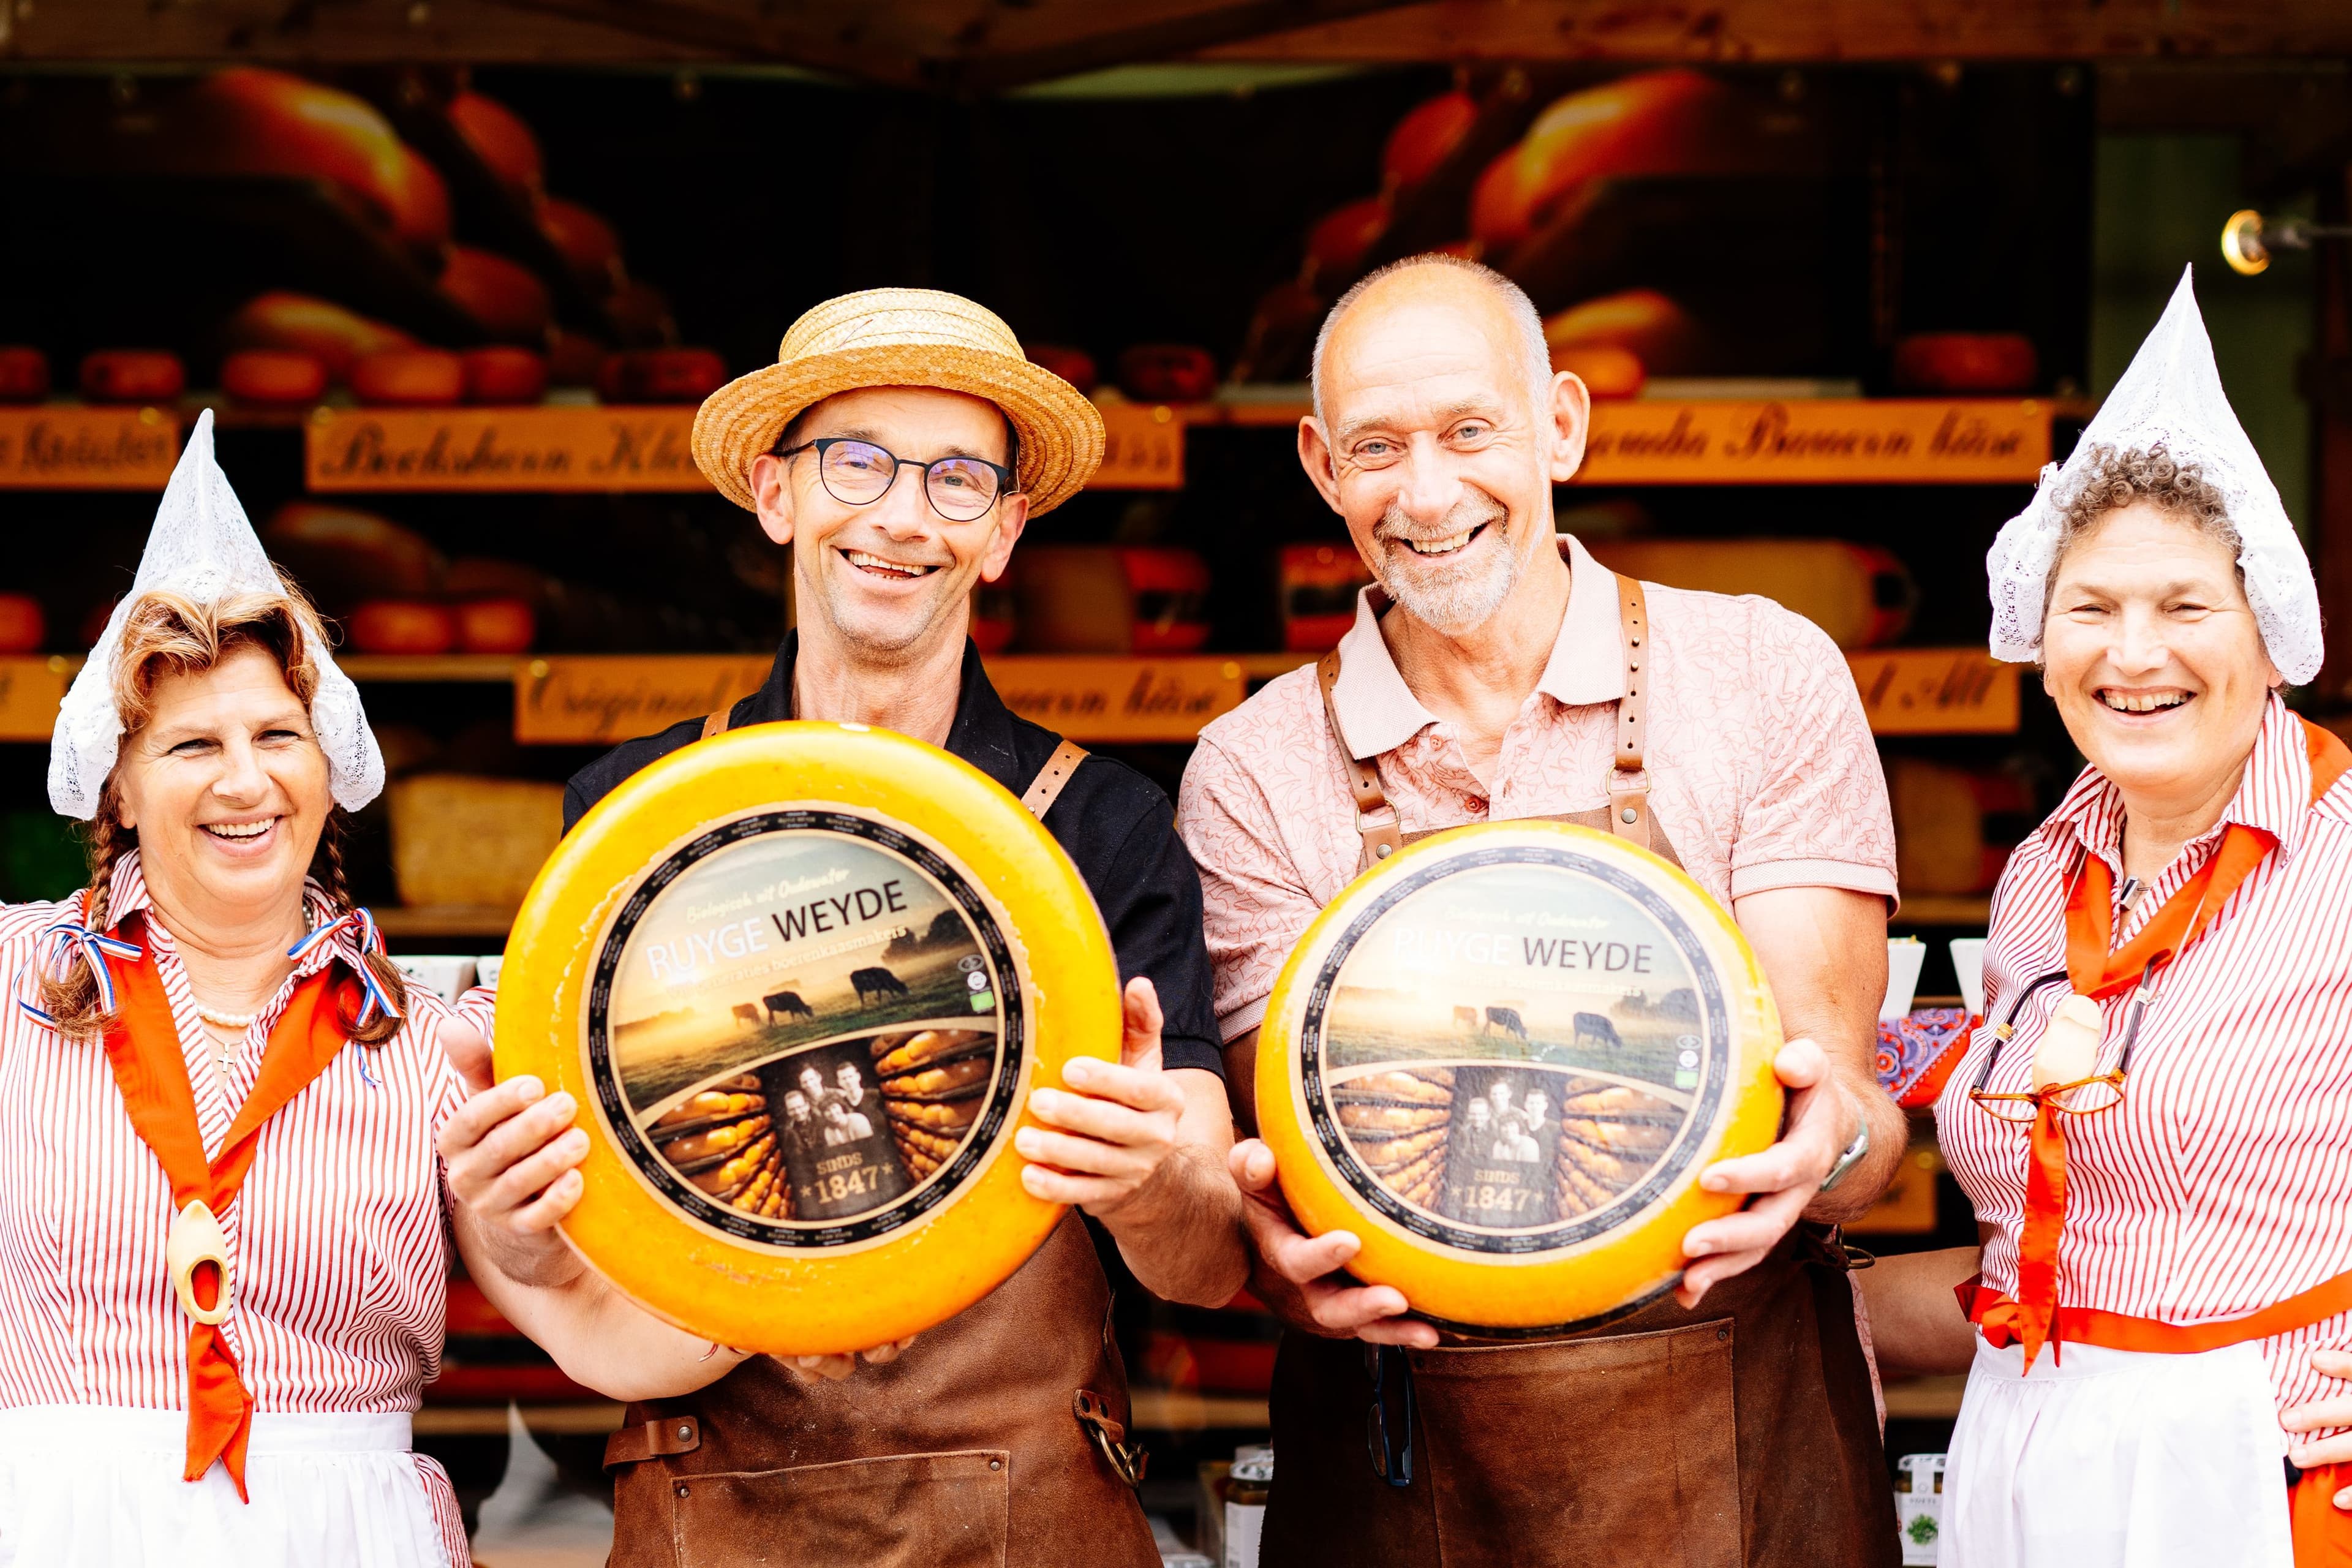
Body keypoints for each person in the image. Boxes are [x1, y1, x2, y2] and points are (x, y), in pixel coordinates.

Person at [439, 288, 1247, 1566]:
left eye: (958, 479)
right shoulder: (631, 822)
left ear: (1003, 533)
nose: (902, 514)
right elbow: (555, 1240)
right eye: (856, 461)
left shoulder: (1103, 825)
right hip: (712, 1513)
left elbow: (1206, 1261)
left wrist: (1153, 1182)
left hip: (1026, 1520)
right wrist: (511, 1223)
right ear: (776, 494)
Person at [1175, 254, 1906, 1565]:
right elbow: (1295, 1157)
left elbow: (1850, 1109)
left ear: (1560, 422)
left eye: (1472, 430)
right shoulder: (1251, 766)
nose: (1428, 489)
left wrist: (1826, 1152)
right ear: (1320, 465)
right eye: (1378, 447)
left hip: (1742, 1444)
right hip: (1405, 1457)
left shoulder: (1761, 671)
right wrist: (1269, 1249)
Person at [1860, 267, 2352, 1567]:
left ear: (2270, 630)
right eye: (2093, 608)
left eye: (2186, 606)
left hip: (2264, 1465)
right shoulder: (2040, 870)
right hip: (2022, 1440)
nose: (2135, 653)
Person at [0, 412, 484, 1566]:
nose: (245, 781)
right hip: (59, 1525)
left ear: (330, 769)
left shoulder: (437, 1040)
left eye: (279, 734)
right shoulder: (11, 980)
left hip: (346, 1534)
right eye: (190, 746)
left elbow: (582, 1311)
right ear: (115, 787)